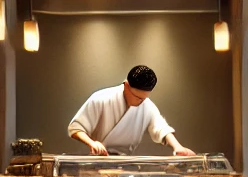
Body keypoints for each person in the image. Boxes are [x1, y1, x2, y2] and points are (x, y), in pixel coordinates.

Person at [68, 65, 196, 157]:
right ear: (126, 85)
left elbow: (161, 128)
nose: (141, 101)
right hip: (98, 159)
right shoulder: (100, 98)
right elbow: (76, 128)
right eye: (138, 97)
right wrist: (92, 143)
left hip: (125, 161)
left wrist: (177, 147)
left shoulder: (146, 105)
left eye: (144, 98)